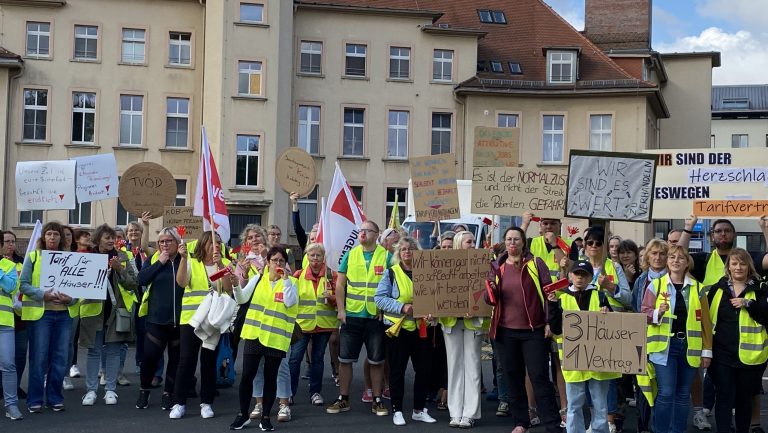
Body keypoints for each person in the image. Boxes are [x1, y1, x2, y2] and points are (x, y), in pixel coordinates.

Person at [485, 227, 562, 433]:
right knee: (513, 377)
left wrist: (549, 322)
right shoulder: (497, 265)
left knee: (539, 378)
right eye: (509, 239)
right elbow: (488, 299)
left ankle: (553, 425)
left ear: (523, 242)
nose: (512, 243)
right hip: (505, 331)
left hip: (533, 331)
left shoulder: (536, 263)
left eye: (516, 239)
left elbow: (549, 293)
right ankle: (521, 423)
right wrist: (490, 291)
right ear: (505, 242)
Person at [641, 245, 713, 433]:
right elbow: (644, 314)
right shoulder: (656, 285)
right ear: (667, 261)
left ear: (687, 262)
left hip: (689, 347)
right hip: (663, 347)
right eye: (672, 257)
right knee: (666, 393)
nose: (676, 261)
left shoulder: (698, 288)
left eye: (681, 258)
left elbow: (706, 322)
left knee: (682, 395)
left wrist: (707, 351)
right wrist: (657, 313)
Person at [170, 230, 237, 420]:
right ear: (203, 244)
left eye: (218, 242)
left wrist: (221, 265)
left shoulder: (225, 263)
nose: (216, 245)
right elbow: (181, 282)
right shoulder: (192, 262)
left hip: (213, 319)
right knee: (186, 361)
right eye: (211, 242)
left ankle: (207, 403)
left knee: (209, 362)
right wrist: (183, 259)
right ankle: (179, 403)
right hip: (191, 319)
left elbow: (228, 288)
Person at [230, 246, 298, 431]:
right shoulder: (258, 279)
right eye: (274, 260)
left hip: (275, 339)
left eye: (281, 260)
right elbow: (242, 299)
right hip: (254, 335)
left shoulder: (292, 282)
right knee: (247, 376)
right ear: (268, 262)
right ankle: (242, 415)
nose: (278, 263)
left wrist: (285, 280)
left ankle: (266, 417)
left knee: (270, 378)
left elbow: (290, 301)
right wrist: (236, 285)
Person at [326, 220, 389, 417]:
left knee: (376, 361)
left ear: (376, 234)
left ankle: (377, 400)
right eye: (361, 230)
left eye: (367, 230)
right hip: (352, 315)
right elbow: (340, 285)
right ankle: (343, 398)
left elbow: (393, 285)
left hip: (375, 317)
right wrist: (341, 310)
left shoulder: (386, 256)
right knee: (345, 359)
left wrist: (386, 309)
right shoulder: (350, 254)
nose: (362, 233)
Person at [549, 260, 617, 433]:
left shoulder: (599, 296)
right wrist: (552, 305)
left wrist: (607, 312)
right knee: (574, 404)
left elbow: (611, 326)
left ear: (590, 278)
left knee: (600, 404)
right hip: (573, 359)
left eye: (584, 275)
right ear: (570, 276)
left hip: (597, 359)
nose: (580, 278)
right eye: (577, 274)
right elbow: (556, 329)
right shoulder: (561, 297)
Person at [375, 236, 436, 426]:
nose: (408, 252)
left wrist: (432, 312)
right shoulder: (391, 273)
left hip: (421, 328)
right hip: (398, 330)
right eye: (404, 249)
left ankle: (419, 409)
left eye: (411, 249)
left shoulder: (426, 273)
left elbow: (434, 297)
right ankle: (397, 410)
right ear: (398, 253)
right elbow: (379, 299)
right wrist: (402, 307)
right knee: (397, 371)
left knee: (424, 370)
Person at [706, 248, 768, 433]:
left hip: (750, 356)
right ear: (728, 267)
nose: (738, 267)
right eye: (734, 263)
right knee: (723, 397)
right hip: (721, 354)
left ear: (749, 266)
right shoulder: (717, 289)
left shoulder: (760, 288)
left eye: (742, 263)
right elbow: (707, 321)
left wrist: (748, 304)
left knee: (744, 399)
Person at [80, 224, 138, 406]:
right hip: (93, 311)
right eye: (107, 237)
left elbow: (133, 283)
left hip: (115, 311)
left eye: (113, 237)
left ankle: (111, 390)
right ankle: (91, 390)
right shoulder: (87, 258)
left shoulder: (123, 257)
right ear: (98, 239)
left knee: (113, 351)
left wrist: (120, 269)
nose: (111, 240)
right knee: (93, 351)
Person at [20, 222, 75, 413]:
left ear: (61, 238)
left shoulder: (71, 258)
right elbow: (23, 284)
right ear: (43, 237)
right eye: (49, 234)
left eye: (56, 234)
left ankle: (54, 398)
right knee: (39, 358)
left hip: (64, 315)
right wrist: (42, 294)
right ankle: (34, 399)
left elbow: (80, 288)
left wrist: (71, 299)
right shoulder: (33, 256)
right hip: (41, 315)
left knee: (60, 359)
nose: (52, 237)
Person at [135, 227, 185, 411]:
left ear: (177, 242)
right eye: (161, 241)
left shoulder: (185, 260)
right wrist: (160, 263)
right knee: (149, 357)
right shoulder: (154, 258)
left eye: (169, 241)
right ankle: (144, 390)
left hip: (180, 320)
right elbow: (141, 280)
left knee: (175, 360)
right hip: (156, 319)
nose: (165, 244)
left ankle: (168, 393)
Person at [439, 231, 485, 428]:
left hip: (473, 321)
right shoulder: (444, 265)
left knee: (473, 366)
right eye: (469, 242)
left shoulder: (481, 264)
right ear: (459, 243)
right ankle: (455, 412)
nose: (473, 244)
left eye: (474, 241)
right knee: (454, 366)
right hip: (451, 322)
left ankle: (470, 413)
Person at [288, 243, 337, 406]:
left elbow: (341, 298)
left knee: (317, 359)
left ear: (323, 257)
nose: (315, 258)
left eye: (318, 255)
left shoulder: (331, 275)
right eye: (312, 255)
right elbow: (290, 299)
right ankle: (289, 393)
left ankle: (315, 392)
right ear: (307, 257)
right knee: (294, 359)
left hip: (323, 325)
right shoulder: (298, 275)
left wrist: (332, 298)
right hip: (302, 325)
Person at [630, 239, 669, 433]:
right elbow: (636, 307)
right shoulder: (641, 280)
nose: (658, 257)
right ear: (647, 257)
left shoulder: (674, 278)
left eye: (662, 254)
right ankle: (643, 427)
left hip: (667, 343)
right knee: (643, 387)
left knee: (664, 388)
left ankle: (661, 427)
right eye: (654, 253)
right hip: (644, 340)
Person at [3, 231, 27, 400]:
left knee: (19, 353)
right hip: (5, 315)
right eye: (6, 241)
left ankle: (15, 386)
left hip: (19, 315)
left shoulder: (21, 263)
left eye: (13, 241)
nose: (10, 244)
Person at [521, 213, 577, 279]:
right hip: (535, 285)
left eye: (553, 223)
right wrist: (525, 224)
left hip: (558, 285)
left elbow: (571, 268)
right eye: (545, 224)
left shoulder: (570, 244)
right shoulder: (531, 242)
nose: (549, 226)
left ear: (560, 225)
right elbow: (517, 242)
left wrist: (554, 244)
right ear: (540, 226)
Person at [0, 249, 21, 420]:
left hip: (5, 323)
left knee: (8, 364)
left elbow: (12, 287)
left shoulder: (8, 265)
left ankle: (11, 405)